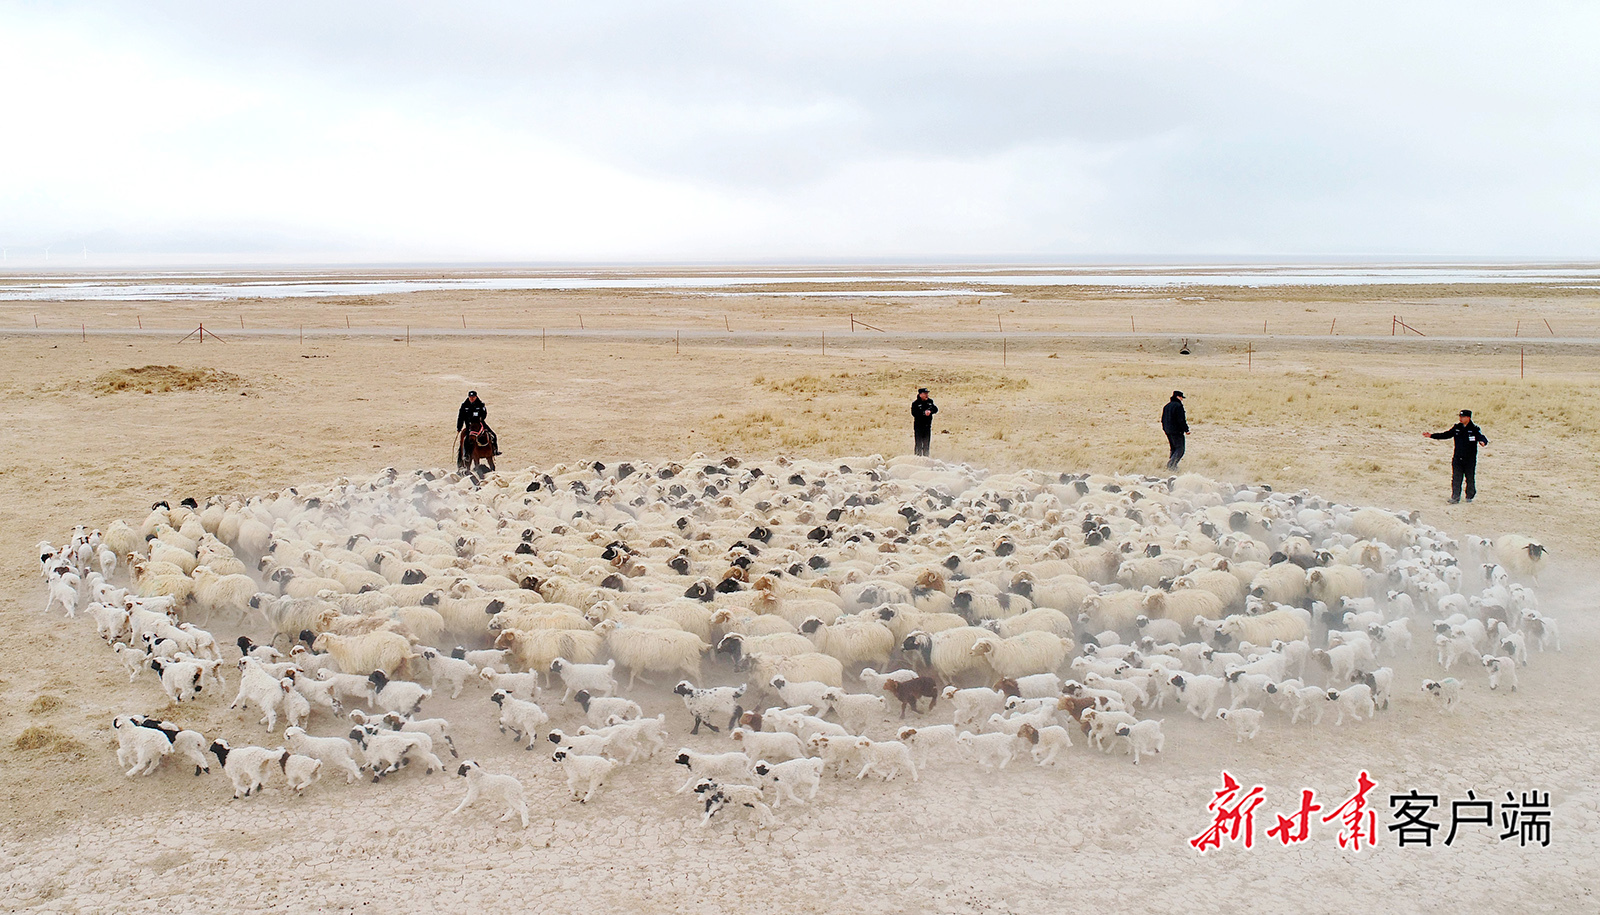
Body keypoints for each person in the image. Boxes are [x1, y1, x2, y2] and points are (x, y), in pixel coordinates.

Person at [1424, 409, 1489, 503]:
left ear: (1468, 418)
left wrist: (1483, 442)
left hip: (1470, 459)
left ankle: (1470, 496)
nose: (1460, 418)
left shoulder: (1474, 429)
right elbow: (1446, 434)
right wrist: (1431, 436)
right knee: (1456, 478)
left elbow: (1481, 437)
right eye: (1460, 416)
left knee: (1470, 478)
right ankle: (1455, 497)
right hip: (1458, 458)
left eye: (1462, 417)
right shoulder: (1457, 428)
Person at [456, 390, 500, 462]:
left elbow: (484, 413)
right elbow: (460, 417)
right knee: (467, 439)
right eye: (470, 397)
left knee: (493, 435)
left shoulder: (480, 404)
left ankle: (495, 451)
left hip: (479, 424)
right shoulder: (464, 405)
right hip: (469, 425)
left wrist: (481, 418)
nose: (472, 399)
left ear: (476, 397)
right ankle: (466, 455)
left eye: (473, 397)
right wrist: (459, 427)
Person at [1162, 391, 1188, 470]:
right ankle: (1171, 465)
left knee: (1173, 448)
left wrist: (1165, 428)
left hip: (1168, 430)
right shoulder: (1178, 406)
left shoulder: (1167, 406)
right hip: (1177, 431)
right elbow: (1181, 420)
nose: (1182, 399)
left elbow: (1163, 419)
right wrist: (1186, 429)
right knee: (1180, 449)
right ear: (1178, 397)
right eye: (1181, 397)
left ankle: (1172, 465)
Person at [911, 387, 938, 457]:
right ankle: (917, 458)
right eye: (925, 394)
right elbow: (914, 413)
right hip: (919, 427)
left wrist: (930, 411)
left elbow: (935, 409)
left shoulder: (930, 402)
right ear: (920, 394)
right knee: (918, 444)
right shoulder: (915, 404)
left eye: (927, 393)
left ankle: (926, 458)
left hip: (927, 426)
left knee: (926, 444)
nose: (927, 395)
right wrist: (923, 413)